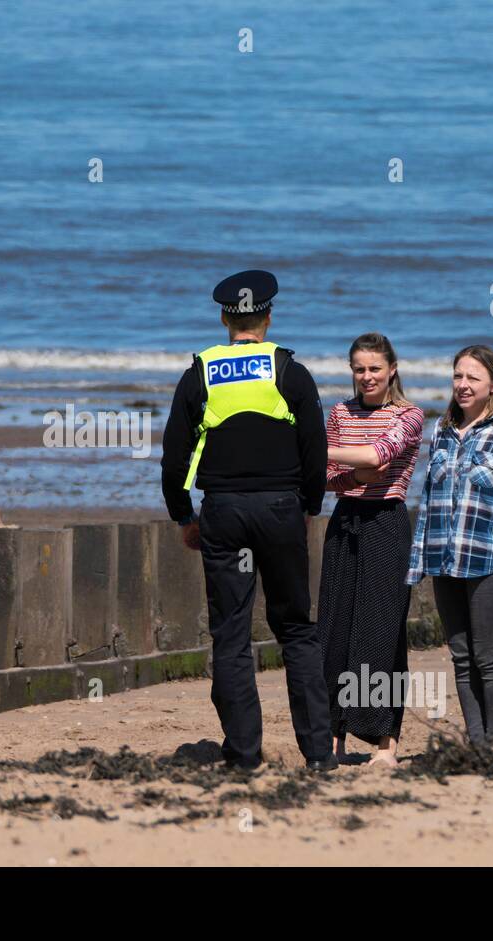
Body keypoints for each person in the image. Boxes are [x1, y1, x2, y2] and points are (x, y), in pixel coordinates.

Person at [160, 269, 336, 771]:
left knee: (232, 635)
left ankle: (243, 756)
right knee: (297, 630)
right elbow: (315, 450)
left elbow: (173, 457)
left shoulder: (200, 372)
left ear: (223, 318)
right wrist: (308, 509)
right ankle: (319, 756)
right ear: (268, 317)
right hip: (281, 509)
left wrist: (182, 515)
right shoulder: (290, 372)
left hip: (224, 513)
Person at [407, 344, 493, 751]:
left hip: (489, 561)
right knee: (461, 657)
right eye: (458, 376)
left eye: (472, 378)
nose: (462, 385)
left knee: (489, 656)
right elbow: (427, 501)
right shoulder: (442, 430)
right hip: (445, 560)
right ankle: (475, 743)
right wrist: (418, 560)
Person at [317, 333, 425, 767]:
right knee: (334, 632)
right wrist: (349, 473)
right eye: (359, 369)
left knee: (381, 633)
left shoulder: (410, 415)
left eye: (374, 368)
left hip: (387, 522)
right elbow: (322, 477)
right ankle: (333, 739)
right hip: (344, 521)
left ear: (392, 369)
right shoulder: (341, 411)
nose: (366, 377)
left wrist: (333, 456)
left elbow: (379, 456)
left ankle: (386, 744)